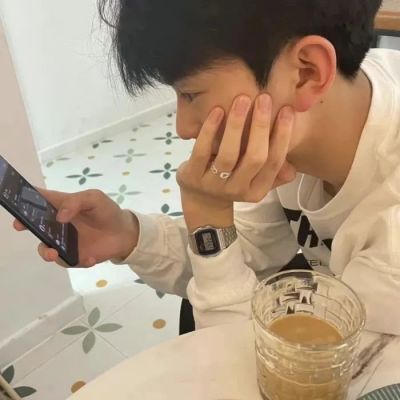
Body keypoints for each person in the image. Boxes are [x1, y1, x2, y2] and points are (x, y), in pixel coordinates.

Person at [14, 0, 400, 334]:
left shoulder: (392, 238)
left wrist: (209, 216)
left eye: (191, 94)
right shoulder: (300, 129)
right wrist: (128, 234)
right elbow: (248, 251)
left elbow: (246, 369)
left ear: (306, 72)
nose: (183, 128)